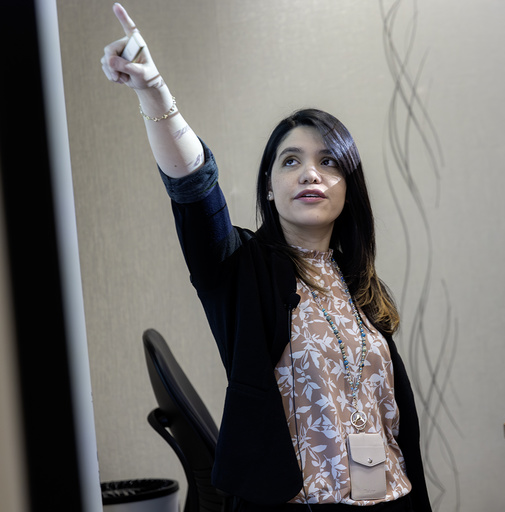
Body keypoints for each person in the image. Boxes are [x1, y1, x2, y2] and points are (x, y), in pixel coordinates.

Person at [101, 4, 431, 512]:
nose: (309, 173)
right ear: (271, 189)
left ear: (349, 190)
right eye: (291, 160)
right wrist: (154, 93)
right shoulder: (241, 269)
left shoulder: (360, 285)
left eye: (328, 162)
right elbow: (195, 188)